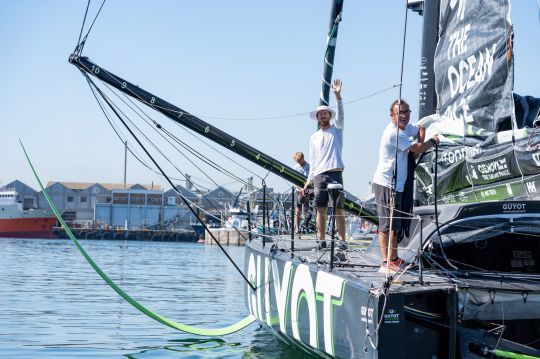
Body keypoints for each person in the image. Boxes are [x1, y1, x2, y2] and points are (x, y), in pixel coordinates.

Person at [372, 99, 439, 273]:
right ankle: (385, 262)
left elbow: (421, 130)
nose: (403, 116)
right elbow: (418, 147)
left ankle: (393, 258)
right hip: (386, 183)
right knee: (386, 225)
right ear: (392, 116)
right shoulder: (394, 133)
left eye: (406, 112)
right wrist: (433, 141)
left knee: (395, 224)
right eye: (399, 113)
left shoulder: (406, 127)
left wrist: (413, 158)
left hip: (398, 184)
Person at [302, 79, 346, 250]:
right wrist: (308, 182)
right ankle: (321, 240)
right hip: (320, 175)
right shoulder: (313, 137)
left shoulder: (337, 129)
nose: (323, 116)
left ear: (329, 115)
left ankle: (342, 241)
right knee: (320, 209)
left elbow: (342, 115)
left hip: (335, 173)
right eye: (320, 114)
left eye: (325, 113)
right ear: (317, 118)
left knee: (338, 208)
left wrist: (338, 96)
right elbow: (313, 162)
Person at [293, 152, 310, 236]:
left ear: (303, 158)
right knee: (298, 210)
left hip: (308, 190)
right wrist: (300, 189)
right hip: (298, 190)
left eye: (299, 161)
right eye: (297, 161)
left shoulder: (309, 167)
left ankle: (306, 223)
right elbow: (293, 180)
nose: (298, 163)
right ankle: (297, 228)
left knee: (307, 211)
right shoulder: (295, 168)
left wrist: (306, 188)